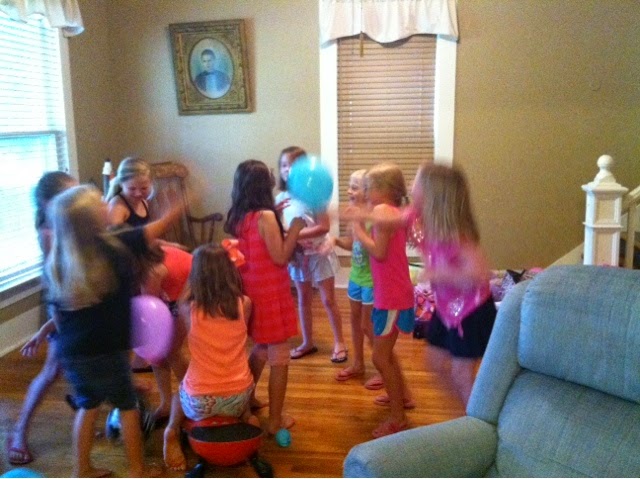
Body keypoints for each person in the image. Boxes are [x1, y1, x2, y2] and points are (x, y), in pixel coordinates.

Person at [44, 184, 181, 477]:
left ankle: (81, 470)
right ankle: (138, 470)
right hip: (107, 350)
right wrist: (180, 205)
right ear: (91, 220)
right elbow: (155, 229)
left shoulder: (58, 259)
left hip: (73, 352)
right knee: (127, 406)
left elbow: (56, 314)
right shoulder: (112, 244)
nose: (108, 204)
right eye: (100, 204)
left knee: (88, 405)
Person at [224, 160, 305, 438]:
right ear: (263, 185)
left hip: (252, 291)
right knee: (279, 355)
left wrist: (276, 216)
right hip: (271, 293)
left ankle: (244, 402)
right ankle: (275, 421)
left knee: (260, 347)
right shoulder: (265, 217)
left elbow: (256, 244)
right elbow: (280, 256)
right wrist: (296, 227)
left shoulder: (239, 216)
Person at [163, 242, 258, 470]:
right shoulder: (244, 304)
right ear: (230, 272)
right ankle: (246, 416)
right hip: (238, 398)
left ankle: (171, 430)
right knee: (241, 378)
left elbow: (183, 300)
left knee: (178, 393)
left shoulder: (188, 309)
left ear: (195, 276)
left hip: (199, 403)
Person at [411, 163, 496, 405]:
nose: (410, 186)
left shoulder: (459, 236)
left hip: (471, 312)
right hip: (447, 310)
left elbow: (480, 273)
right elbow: (389, 217)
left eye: (416, 182)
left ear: (432, 196)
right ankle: (467, 410)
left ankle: (475, 417)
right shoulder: (423, 223)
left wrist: (439, 274)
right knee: (434, 362)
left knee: (461, 373)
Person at [8, 172, 77, 466]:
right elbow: (54, 278)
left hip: (81, 297)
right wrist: (56, 321)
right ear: (49, 203)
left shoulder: (70, 221)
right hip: (64, 304)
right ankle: (19, 432)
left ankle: (89, 400)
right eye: (69, 196)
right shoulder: (49, 232)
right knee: (52, 370)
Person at [349, 162, 415, 438]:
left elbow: (378, 252)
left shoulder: (382, 211)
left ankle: (398, 418)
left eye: (368, 188)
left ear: (383, 190)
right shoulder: (390, 210)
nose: (365, 192)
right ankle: (402, 396)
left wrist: (358, 229)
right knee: (385, 353)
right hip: (393, 294)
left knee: (379, 356)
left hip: (392, 297)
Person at [275, 146, 347, 363]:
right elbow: (278, 228)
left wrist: (293, 234)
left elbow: (323, 227)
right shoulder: (281, 198)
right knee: (303, 299)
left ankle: (340, 342)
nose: (288, 169)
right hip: (298, 256)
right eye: (284, 165)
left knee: (328, 300)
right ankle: (307, 342)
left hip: (319, 254)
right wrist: (281, 223)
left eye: (293, 165)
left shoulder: (314, 195)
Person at [332, 169, 383, 390]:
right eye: (349, 186)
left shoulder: (374, 218)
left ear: (368, 191)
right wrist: (335, 240)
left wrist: (358, 224)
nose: (348, 191)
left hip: (372, 281)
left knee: (368, 326)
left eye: (354, 187)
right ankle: (358, 364)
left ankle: (384, 368)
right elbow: (351, 243)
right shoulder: (354, 216)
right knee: (354, 321)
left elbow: (377, 250)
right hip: (355, 278)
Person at [139, 244, 191, 424]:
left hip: (188, 294)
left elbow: (149, 304)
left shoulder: (152, 271)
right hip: (174, 294)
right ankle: (166, 404)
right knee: (157, 353)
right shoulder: (150, 250)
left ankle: (193, 395)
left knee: (171, 351)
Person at [105, 156, 153, 228]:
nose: (138, 193)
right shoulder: (117, 207)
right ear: (121, 184)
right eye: (132, 189)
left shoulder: (143, 202)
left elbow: (144, 232)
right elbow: (114, 235)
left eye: (144, 188)